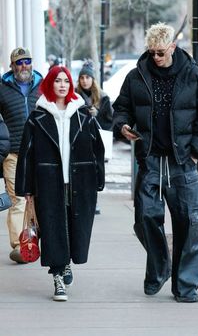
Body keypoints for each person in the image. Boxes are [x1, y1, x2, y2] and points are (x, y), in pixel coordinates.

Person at [112, 22, 198, 303]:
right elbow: (121, 108)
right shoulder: (136, 76)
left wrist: (196, 150)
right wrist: (122, 126)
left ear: (172, 47)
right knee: (144, 219)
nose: (156, 57)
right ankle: (159, 269)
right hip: (150, 161)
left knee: (189, 224)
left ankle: (186, 286)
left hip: (182, 161)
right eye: (152, 52)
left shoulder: (195, 76)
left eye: (160, 52)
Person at [15, 66, 105, 302]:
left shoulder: (82, 114)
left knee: (75, 228)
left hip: (80, 182)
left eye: (66, 81)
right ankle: (57, 275)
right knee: (53, 230)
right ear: (50, 85)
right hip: (47, 184)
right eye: (58, 81)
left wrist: (99, 179)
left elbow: (97, 149)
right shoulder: (37, 117)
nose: (63, 85)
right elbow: (26, 154)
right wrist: (26, 189)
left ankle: (66, 264)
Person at [0, 47, 43, 263]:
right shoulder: (2, 88)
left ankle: (35, 240)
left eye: (27, 61)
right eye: (19, 62)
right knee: (17, 200)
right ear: (12, 66)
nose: (24, 65)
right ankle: (19, 246)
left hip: (40, 152)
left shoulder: (43, 86)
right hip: (13, 154)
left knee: (36, 199)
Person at [77, 60, 113, 214]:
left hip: (96, 141)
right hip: (78, 140)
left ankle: (94, 200)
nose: (85, 81)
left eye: (87, 77)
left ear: (93, 79)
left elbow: (110, 121)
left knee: (95, 171)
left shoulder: (103, 98)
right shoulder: (74, 97)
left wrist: (96, 116)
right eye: (82, 77)